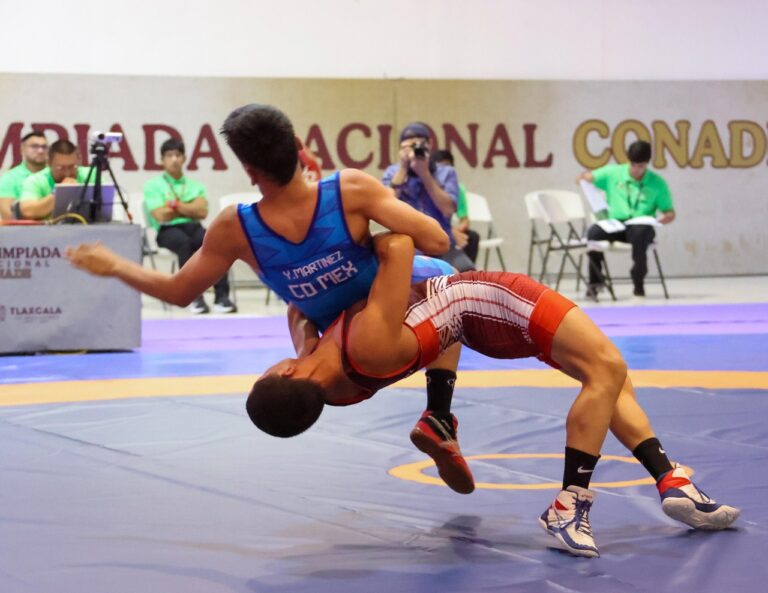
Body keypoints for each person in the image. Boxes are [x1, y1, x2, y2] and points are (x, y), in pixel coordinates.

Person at [239, 232, 740, 558]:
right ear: (283, 373)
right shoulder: (353, 343)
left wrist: (304, 340)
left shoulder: (338, 385)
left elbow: (299, 320)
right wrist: (346, 224)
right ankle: (571, 503)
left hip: (466, 322)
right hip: (479, 300)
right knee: (607, 368)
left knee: (608, 380)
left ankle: (670, 478)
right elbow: (397, 243)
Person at [67, 104, 466, 474]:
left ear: (249, 170)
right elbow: (435, 239)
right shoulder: (348, 190)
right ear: (297, 148)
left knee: (298, 310)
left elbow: (178, 291)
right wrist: (375, 241)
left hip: (350, 341)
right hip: (401, 312)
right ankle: (438, 412)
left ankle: (433, 412)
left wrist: (116, 265)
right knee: (420, 271)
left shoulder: (235, 227)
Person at [143, 138, 237, 314]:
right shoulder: (152, 186)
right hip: (167, 230)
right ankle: (194, 298)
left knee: (215, 241)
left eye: (178, 155)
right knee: (183, 243)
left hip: (193, 226)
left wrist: (174, 205)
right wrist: (188, 207)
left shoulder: (195, 185)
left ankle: (222, 297)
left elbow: (202, 212)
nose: (174, 159)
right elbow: (159, 215)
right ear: (162, 160)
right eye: (169, 155)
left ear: (184, 158)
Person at [578, 140, 676, 299]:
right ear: (628, 161)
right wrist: (584, 179)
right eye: (634, 165)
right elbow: (585, 178)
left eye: (641, 166)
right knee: (593, 233)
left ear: (647, 163)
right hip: (616, 224)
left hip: (641, 226)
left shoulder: (658, 183)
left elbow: (670, 212)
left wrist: (664, 218)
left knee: (640, 233)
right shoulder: (613, 173)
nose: (637, 170)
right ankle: (596, 281)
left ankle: (638, 279)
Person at [382, 123, 475, 272]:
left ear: (430, 144)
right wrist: (403, 169)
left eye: (418, 145)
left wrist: (424, 174)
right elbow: (385, 207)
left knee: (467, 271)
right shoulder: (393, 172)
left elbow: (448, 209)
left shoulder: (446, 172)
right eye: (407, 147)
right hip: (408, 244)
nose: (413, 151)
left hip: (443, 242)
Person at [17, 139, 92, 220]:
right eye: (60, 168)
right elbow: (27, 211)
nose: (67, 173)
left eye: (72, 167)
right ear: (49, 163)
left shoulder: (91, 175)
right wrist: (60, 192)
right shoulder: (35, 181)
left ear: (79, 161)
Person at [431, 149, 480, 264]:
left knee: (472, 237)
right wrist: (449, 232)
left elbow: (465, 220)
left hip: (448, 228)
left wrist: (455, 232)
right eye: (440, 168)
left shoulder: (458, 188)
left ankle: (467, 275)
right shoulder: (426, 186)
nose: (444, 172)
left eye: (448, 167)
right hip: (432, 228)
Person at [0, 131, 48, 220]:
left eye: (44, 147)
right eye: (35, 146)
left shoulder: (54, 174)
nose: (40, 151)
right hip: (21, 232)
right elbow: (7, 215)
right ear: (22, 148)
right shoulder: (10, 177)